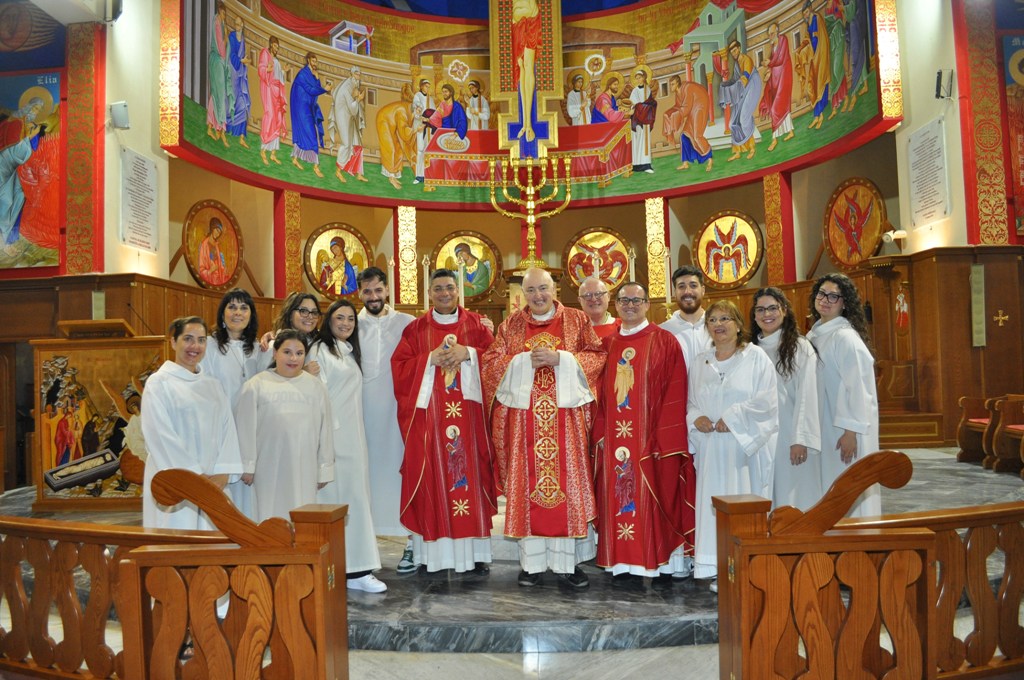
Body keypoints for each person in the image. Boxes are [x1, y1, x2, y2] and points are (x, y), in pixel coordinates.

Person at [481, 267, 607, 589]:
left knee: (569, 488)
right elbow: (491, 364)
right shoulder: (510, 325)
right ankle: (532, 565)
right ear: (523, 293)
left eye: (543, 288)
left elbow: (597, 357)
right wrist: (524, 361)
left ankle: (568, 565)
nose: (538, 296)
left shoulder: (577, 320)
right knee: (528, 490)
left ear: (554, 290)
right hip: (525, 425)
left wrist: (560, 359)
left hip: (566, 423)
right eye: (531, 290)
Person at [391, 270, 497, 575]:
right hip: (430, 424)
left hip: (470, 422)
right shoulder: (415, 330)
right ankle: (432, 557)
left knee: (470, 477)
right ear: (429, 293)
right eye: (438, 288)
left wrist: (470, 353)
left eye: (449, 287)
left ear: (458, 290)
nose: (444, 293)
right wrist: (429, 360)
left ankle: (474, 555)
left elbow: (496, 361)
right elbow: (398, 368)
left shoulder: (476, 325)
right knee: (432, 477)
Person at [592, 283, 693, 584]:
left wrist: (664, 437)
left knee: (660, 495)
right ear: (616, 305)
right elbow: (596, 392)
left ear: (648, 304)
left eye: (637, 300)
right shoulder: (607, 344)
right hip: (614, 439)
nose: (630, 305)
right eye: (624, 300)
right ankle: (623, 565)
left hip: (653, 440)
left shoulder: (665, 341)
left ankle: (662, 565)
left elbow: (676, 391)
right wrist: (600, 432)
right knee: (619, 495)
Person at [687, 301, 778, 591]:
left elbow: (767, 401)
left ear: (738, 324)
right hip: (712, 449)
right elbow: (691, 402)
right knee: (713, 506)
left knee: (742, 505)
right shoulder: (700, 362)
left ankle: (746, 567)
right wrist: (696, 418)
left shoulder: (755, 357)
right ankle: (717, 567)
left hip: (742, 449)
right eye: (713, 320)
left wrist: (734, 418)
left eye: (725, 318)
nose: (719, 324)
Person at [308, 300, 387, 593]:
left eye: (350, 319)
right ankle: (350, 570)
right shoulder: (320, 349)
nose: (345, 323)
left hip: (353, 437)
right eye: (339, 318)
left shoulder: (348, 351)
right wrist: (327, 437)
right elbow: (317, 394)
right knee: (339, 499)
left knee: (355, 499)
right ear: (328, 320)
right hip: (334, 437)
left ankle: (354, 568)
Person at [141, 316, 242, 530]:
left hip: (214, 482)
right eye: (188, 339)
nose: (195, 346)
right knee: (177, 536)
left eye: (201, 340)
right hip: (175, 480)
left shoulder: (213, 386)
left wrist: (224, 472)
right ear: (173, 342)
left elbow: (228, 430)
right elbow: (159, 434)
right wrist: (194, 477)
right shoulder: (159, 383)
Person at [235, 330, 334, 522]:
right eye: (287, 352)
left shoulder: (316, 387)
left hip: (305, 465)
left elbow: (326, 431)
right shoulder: (256, 385)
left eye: (299, 353)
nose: (293, 358)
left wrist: (325, 468)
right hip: (268, 465)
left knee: (302, 514)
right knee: (268, 514)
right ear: (275, 353)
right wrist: (247, 465)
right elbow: (245, 428)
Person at [806, 273, 880, 518]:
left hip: (844, 429)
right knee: (829, 486)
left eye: (833, 296)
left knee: (846, 487)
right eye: (821, 294)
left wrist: (851, 432)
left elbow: (858, 388)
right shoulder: (815, 334)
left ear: (844, 303)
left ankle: (856, 535)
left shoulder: (845, 337)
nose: (825, 300)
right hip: (825, 422)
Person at [356, 268, 416, 570]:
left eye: (378, 290)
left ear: (387, 290)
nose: (373, 297)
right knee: (364, 479)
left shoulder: (408, 323)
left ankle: (412, 543)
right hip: (361, 413)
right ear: (359, 293)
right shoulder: (350, 324)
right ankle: (363, 549)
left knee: (403, 474)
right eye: (367, 292)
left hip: (398, 413)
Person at [200, 288, 271, 517]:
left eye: (243, 308)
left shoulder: (257, 349)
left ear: (251, 315)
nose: (237, 312)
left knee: (249, 490)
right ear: (222, 314)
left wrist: (271, 340)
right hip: (221, 426)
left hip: (249, 428)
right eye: (231, 307)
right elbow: (204, 386)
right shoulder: (210, 346)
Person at [749, 287, 822, 511]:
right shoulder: (749, 350)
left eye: (772, 308)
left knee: (794, 497)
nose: (766, 314)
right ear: (754, 315)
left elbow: (807, 395)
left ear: (784, 311)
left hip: (789, 435)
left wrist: (800, 438)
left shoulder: (800, 347)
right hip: (758, 437)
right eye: (760, 309)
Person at [0, 97, 45, 246]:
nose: (35, 112)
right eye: (34, 108)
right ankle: (3, 236)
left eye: (38, 110)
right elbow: (11, 147)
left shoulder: (30, 125)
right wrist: (30, 135)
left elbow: (31, 150)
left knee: (19, 196)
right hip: (3, 166)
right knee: (6, 200)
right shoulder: (14, 121)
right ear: (27, 106)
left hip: (14, 168)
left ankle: (8, 238)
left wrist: (33, 135)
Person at [660, 265, 712, 369]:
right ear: (675, 292)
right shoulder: (663, 332)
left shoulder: (716, 326)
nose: (687, 291)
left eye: (693, 285)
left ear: (703, 290)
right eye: (681, 286)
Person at [717, 40, 762, 162]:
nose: (733, 53)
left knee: (744, 118)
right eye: (731, 52)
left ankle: (752, 148)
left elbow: (745, 78)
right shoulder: (737, 65)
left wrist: (733, 88)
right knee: (732, 122)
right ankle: (737, 151)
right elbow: (735, 80)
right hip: (741, 89)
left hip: (752, 86)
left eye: (735, 50)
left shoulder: (746, 60)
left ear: (739, 48)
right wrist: (725, 84)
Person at [663, 74, 712, 172]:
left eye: (672, 84)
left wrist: (675, 115)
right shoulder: (678, 93)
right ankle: (685, 163)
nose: (671, 86)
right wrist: (668, 113)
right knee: (684, 136)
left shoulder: (687, 88)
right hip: (692, 108)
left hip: (700, 106)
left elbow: (686, 108)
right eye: (670, 84)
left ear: (678, 83)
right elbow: (678, 106)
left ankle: (710, 160)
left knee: (697, 136)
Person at [290, 52, 329, 176]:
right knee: (311, 134)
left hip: (308, 107)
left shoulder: (312, 75)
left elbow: (316, 90)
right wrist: (324, 89)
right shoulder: (302, 74)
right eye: (313, 61)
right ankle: (316, 166)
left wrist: (317, 79)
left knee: (307, 133)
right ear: (308, 61)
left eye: (316, 61)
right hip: (301, 108)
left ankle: (295, 158)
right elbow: (311, 90)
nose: (315, 63)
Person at [760, 23, 795, 152]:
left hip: (784, 78)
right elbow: (773, 63)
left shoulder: (783, 40)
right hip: (775, 80)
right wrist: (768, 69)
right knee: (782, 107)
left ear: (777, 32)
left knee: (776, 109)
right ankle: (790, 132)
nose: (770, 36)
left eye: (772, 33)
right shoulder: (773, 46)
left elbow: (780, 60)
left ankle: (774, 139)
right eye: (769, 34)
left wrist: (770, 63)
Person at [330, 66, 367, 183]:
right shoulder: (347, 87)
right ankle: (338, 171)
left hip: (350, 117)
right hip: (343, 117)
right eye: (356, 73)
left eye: (359, 73)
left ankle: (359, 173)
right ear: (351, 74)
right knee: (346, 144)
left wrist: (357, 99)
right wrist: (359, 99)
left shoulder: (354, 84)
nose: (358, 75)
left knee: (358, 144)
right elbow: (352, 108)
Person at [798, 0, 831, 130]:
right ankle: (816, 116)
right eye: (804, 14)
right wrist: (802, 50)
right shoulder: (808, 23)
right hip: (814, 58)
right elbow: (808, 39)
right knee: (813, 85)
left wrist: (816, 52)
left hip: (821, 56)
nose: (806, 15)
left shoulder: (817, 18)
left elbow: (821, 38)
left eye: (806, 12)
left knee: (820, 83)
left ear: (810, 8)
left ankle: (820, 115)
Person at [511, 0, 541, 142]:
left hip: (530, 25)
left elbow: (530, 10)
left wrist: (520, 13)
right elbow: (516, 13)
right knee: (521, 66)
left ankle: (528, 125)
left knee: (528, 66)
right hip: (517, 27)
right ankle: (525, 123)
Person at [206, 2, 232, 148]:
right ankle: (220, 129)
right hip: (217, 61)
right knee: (219, 95)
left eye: (225, 15)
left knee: (217, 95)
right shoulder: (217, 22)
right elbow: (221, 48)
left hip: (218, 62)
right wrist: (226, 37)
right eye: (223, 14)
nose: (224, 17)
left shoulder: (220, 23)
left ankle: (212, 126)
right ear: (220, 11)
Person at [258, 35, 287, 165]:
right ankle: (263, 150)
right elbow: (261, 68)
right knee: (269, 116)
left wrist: (283, 71)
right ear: (271, 45)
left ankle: (273, 153)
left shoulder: (276, 61)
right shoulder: (265, 53)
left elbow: (278, 76)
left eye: (278, 47)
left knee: (278, 119)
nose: (276, 48)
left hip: (276, 91)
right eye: (275, 46)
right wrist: (267, 70)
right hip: (269, 88)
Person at [226, 15, 251, 148]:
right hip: (233, 73)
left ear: (242, 25)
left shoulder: (243, 40)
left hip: (241, 76)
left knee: (244, 104)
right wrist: (241, 61)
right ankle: (227, 129)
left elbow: (242, 56)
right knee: (231, 103)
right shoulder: (232, 37)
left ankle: (241, 137)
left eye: (239, 24)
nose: (237, 26)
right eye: (236, 24)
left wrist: (245, 61)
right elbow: (232, 55)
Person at [628, 66, 657, 173]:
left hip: (646, 120)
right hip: (637, 120)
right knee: (637, 142)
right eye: (637, 78)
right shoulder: (634, 91)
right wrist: (645, 106)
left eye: (640, 77)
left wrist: (649, 105)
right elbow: (635, 105)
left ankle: (646, 165)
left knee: (645, 142)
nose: (638, 80)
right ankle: (636, 165)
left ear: (644, 78)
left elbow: (650, 103)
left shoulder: (647, 89)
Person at [411, 79, 435, 184]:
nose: (427, 88)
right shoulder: (417, 96)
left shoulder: (431, 99)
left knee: (428, 150)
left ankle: (427, 175)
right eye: (426, 86)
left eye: (428, 87)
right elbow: (416, 110)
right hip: (420, 126)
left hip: (429, 127)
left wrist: (430, 121)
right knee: (420, 150)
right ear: (421, 86)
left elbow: (434, 113)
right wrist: (422, 118)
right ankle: (419, 176)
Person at [197, 218, 230, 286]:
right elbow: (201, 270)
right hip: (209, 281)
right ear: (212, 228)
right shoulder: (204, 246)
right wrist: (210, 270)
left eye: (219, 233)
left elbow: (220, 265)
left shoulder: (217, 246)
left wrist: (224, 271)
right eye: (217, 230)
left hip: (218, 280)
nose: (218, 234)